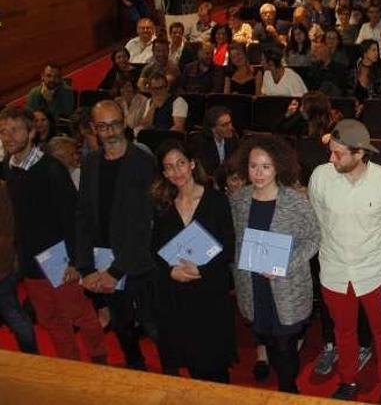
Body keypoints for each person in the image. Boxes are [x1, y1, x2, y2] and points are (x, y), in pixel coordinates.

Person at [308, 119, 381, 403]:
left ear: (360, 153)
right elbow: (318, 218)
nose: (331, 158)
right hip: (334, 270)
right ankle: (347, 379)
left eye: (338, 153)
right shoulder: (319, 177)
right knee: (344, 332)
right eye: (331, 151)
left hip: (374, 272)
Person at [0, 107, 108, 363]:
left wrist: (75, 261)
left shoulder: (51, 170)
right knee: (50, 319)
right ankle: (69, 366)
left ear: (31, 132)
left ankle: (101, 362)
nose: (8, 137)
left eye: (15, 130)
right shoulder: (7, 167)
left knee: (80, 314)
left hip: (59, 258)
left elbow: (73, 219)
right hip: (29, 260)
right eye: (4, 131)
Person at [230, 135, 319, 392]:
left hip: (286, 286)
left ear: (278, 166)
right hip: (253, 285)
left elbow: (314, 239)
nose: (258, 173)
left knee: (284, 345)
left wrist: (286, 265)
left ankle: (288, 388)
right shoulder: (239, 200)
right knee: (266, 338)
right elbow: (236, 241)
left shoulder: (296, 201)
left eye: (266, 166)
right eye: (253, 166)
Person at [76, 100, 159, 371]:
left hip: (135, 262)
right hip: (101, 261)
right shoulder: (89, 163)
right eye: (102, 127)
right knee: (121, 323)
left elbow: (144, 225)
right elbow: (84, 216)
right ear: (93, 129)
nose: (109, 132)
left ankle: (172, 374)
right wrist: (86, 267)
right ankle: (136, 365)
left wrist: (116, 270)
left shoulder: (143, 162)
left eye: (114, 125)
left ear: (124, 124)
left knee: (152, 323)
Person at [150, 140, 236, 383]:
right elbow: (155, 250)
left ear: (192, 164)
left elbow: (228, 246)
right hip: (176, 294)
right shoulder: (162, 205)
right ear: (163, 173)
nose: (176, 172)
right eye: (169, 167)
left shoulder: (216, 201)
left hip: (210, 292)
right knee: (189, 364)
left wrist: (202, 270)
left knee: (214, 366)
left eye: (181, 164)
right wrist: (170, 271)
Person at [0, 179, 38, 354]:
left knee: (14, 315)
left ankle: (32, 360)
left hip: (2, 266)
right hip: (5, 263)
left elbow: (8, 229)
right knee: (14, 315)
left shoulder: (1, 188)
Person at [190, 105, 238, 176]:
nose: (230, 127)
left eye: (230, 122)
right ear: (213, 129)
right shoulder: (200, 143)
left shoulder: (233, 138)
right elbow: (206, 171)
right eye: (225, 125)